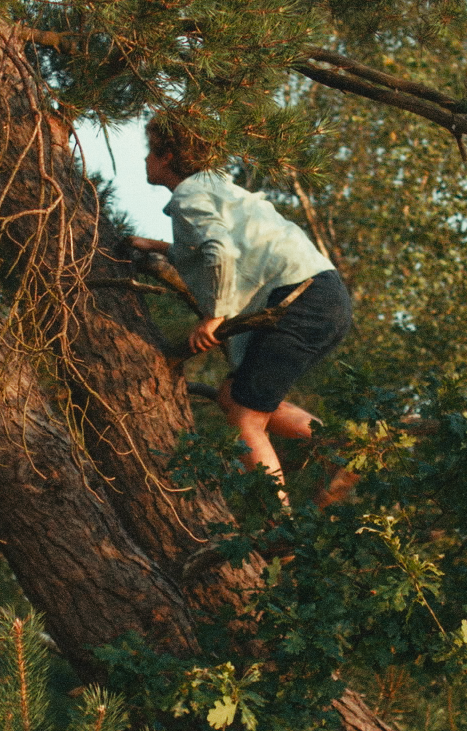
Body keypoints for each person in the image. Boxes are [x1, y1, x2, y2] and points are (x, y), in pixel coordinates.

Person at [126, 117, 354, 506]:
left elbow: (221, 252)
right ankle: (341, 447)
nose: (145, 160)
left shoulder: (187, 197)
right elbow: (226, 246)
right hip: (322, 296)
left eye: (150, 151)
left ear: (167, 157)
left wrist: (215, 315)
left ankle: (281, 523)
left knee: (247, 418)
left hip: (297, 299)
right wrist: (158, 246)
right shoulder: (217, 187)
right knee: (237, 395)